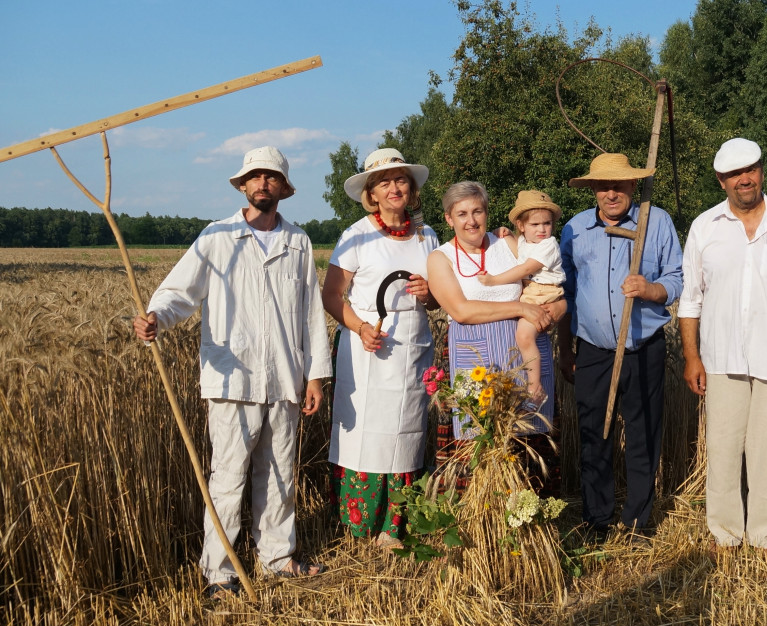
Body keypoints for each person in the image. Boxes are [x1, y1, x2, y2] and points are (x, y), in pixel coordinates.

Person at [133, 146, 331, 597]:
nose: (263, 183)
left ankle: (279, 557)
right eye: (255, 176)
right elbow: (179, 293)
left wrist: (315, 375)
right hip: (230, 380)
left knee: (280, 474)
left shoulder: (297, 242)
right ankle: (219, 573)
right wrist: (155, 318)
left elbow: (311, 315)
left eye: (272, 177)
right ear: (243, 185)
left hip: (284, 376)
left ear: (284, 188)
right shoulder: (216, 237)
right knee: (228, 478)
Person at [678, 138, 767, 558]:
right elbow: (691, 297)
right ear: (721, 181)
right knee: (722, 445)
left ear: (761, 171)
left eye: (750, 170)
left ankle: (764, 534)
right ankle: (724, 532)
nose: (744, 179)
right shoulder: (705, 227)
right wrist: (691, 356)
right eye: (734, 174)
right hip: (720, 359)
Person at [558, 153, 683, 539]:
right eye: (603, 186)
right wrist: (566, 350)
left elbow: (677, 276)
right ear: (593, 189)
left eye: (619, 185)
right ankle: (598, 519)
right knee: (595, 434)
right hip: (593, 352)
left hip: (643, 348)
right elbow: (565, 292)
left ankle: (637, 522)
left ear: (632, 185)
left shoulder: (656, 221)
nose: (611, 193)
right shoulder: (575, 229)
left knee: (644, 434)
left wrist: (651, 289)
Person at [321, 148, 439, 551]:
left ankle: (396, 527)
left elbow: (442, 298)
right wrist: (359, 328)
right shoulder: (356, 235)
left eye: (401, 179)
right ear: (371, 193)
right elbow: (332, 295)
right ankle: (359, 528)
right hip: (367, 346)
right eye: (384, 182)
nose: (394, 188)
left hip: (413, 347)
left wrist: (430, 294)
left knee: (406, 433)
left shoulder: (428, 236)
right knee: (366, 434)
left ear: (412, 188)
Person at [427, 181, 564, 445]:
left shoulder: (508, 244)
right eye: (462, 214)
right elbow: (462, 311)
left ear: (487, 213)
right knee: (478, 446)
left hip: (523, 360)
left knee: (529, 447)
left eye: (478, 211)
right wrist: (522, 308)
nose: (471, 221)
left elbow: (543, 281)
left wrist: (560, 306)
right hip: (474, 362)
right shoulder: (440, 258)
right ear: (448, 219)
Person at [477, 190, 565, 408]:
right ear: (521, 225)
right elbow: (520, 249)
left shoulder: (549, 245)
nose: (542, 229)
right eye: (535, 225)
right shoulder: (526, 241)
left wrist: (494, 281)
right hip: (532, 291)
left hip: (543, 292)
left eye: (547, 223)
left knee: (524, 336)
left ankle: (534, 386)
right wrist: (504, 233)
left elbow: (526, 267)